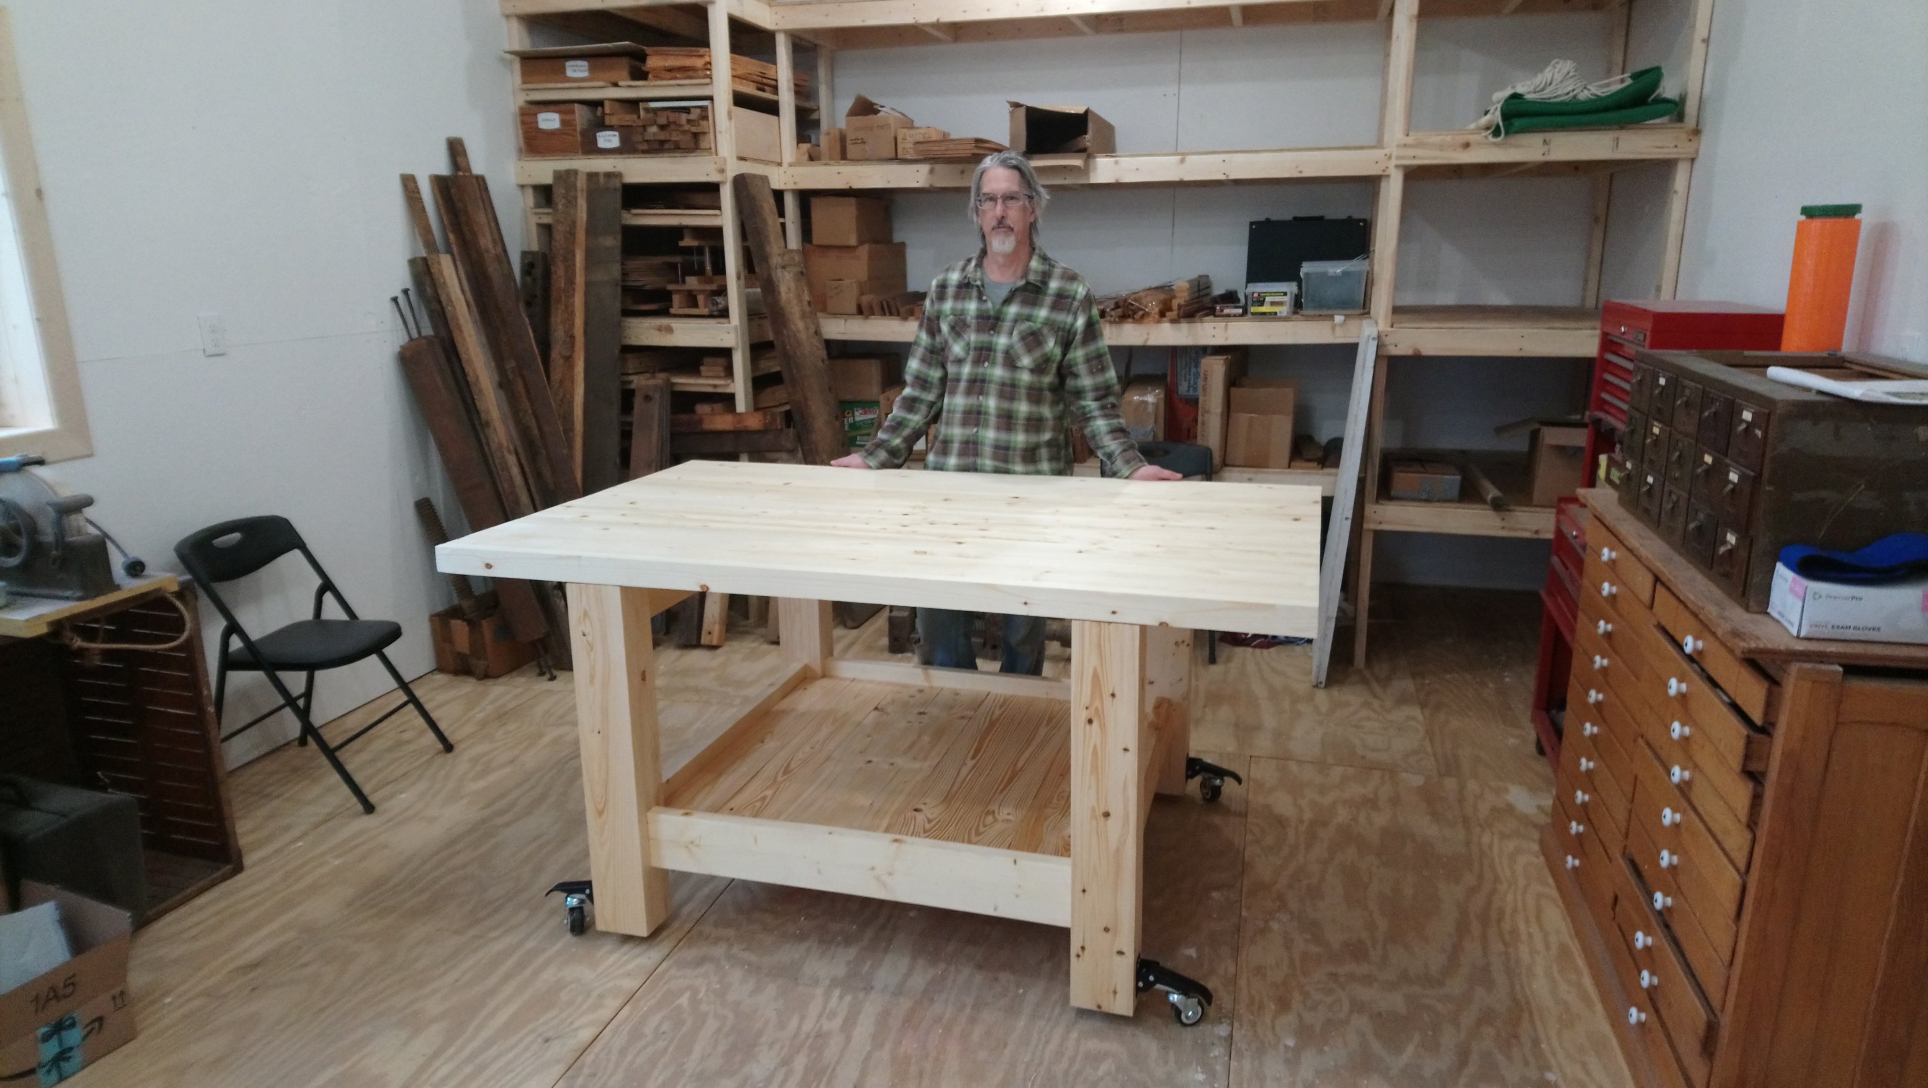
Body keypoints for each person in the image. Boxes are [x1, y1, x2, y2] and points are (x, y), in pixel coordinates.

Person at [831, 150, 1182, 674]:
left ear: (1033, 208)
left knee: (1023, 625)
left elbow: (1093, 400)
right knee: (939, 615)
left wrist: (1130, 466)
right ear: (976, 212)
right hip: (951, 489)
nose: (1000, 212)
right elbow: (920, 392)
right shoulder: (947, 289)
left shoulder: (1067, 293)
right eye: (989, 200)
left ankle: (1020, 709)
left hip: (1032, 493)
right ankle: (959, 704)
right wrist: (873, 457)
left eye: (1012, 199)